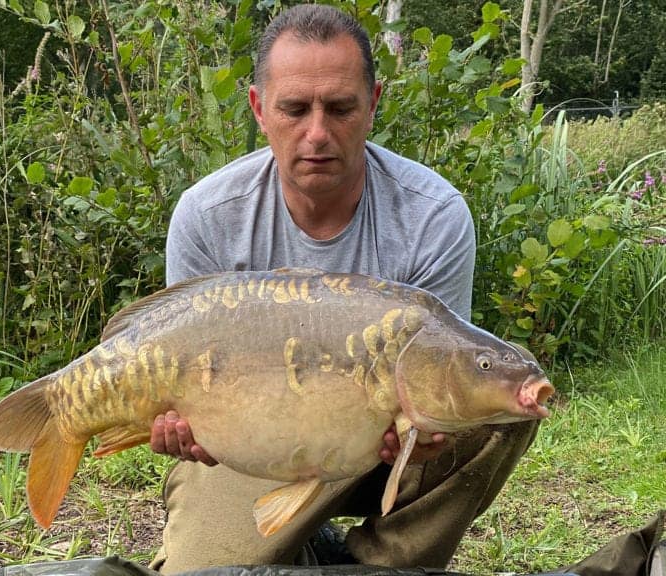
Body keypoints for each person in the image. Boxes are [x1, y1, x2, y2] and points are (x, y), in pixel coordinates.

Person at [148, 4, 538, 574]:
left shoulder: (433, 215)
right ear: (259, 108)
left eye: (340, 108)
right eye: (294, 108)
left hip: (382, 447)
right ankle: (297, 541)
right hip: (252, 446)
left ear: (373, 103)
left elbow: (446, 364)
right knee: (202, 572)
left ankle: (379, 565)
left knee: (500, 399)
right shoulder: (208, 216)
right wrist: (185, 424)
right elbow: (178, 383)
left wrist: (425, 427)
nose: (317, 133)